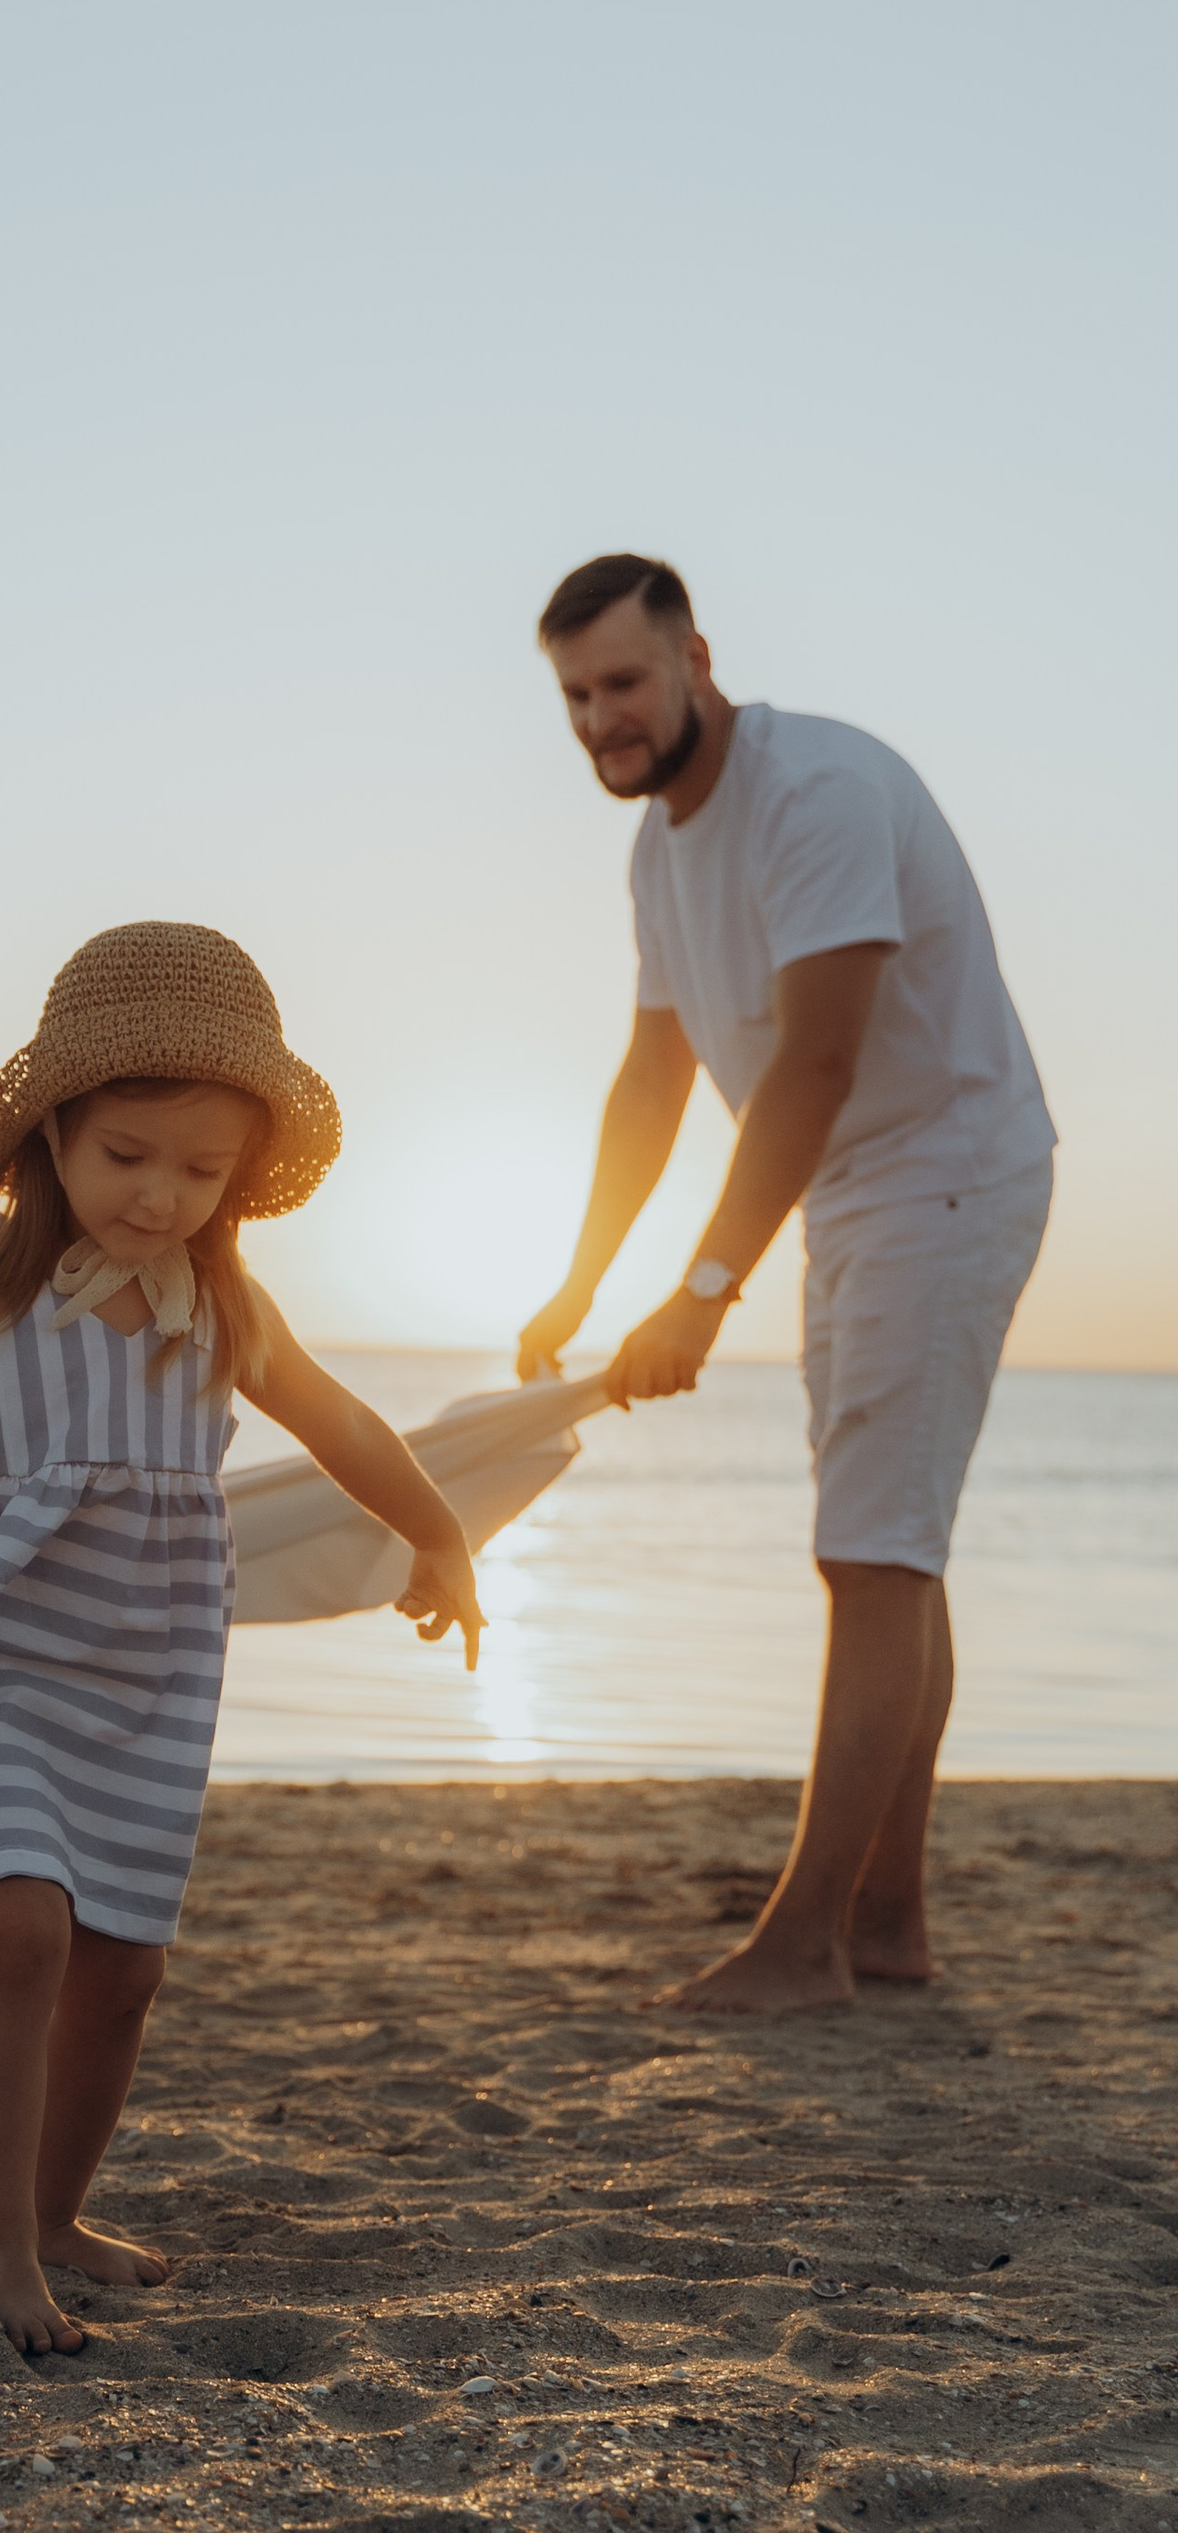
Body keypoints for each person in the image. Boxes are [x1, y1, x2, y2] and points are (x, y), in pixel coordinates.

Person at [0, 921, 485, 2357]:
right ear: (51, 1134)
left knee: (125, 1965)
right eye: (127, 1155)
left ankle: (56, 2215)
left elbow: (348, 1426)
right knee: (15, 1929)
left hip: (139, 1672)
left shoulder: (222, 1309)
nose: (162, 1195)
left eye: (201, 1170)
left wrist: (440, 1531)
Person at [517, 556, 1054, 2015]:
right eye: (575, 696)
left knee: (872, 1555)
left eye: (624, 683)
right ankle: (886, 1924)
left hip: (945, 1168)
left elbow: (814, 1061)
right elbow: (654, 1075)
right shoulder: (658, 848)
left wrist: (700, 1290)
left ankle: (805, 1942)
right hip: (855, 1193)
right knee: (891, 1549)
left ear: (696, 654)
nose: (602, 721)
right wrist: (581, 1284)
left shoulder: (812, 794)